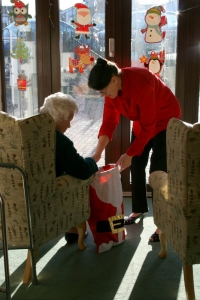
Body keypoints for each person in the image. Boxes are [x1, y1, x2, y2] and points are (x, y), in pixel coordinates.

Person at [88, 58, 181, 242]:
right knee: (137, 164)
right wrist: (97, 152)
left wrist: (129, 153)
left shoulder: (142, 84)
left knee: (158, 171)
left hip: (166, 119)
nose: (103, 95)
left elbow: (150, 127)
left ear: (114, 79)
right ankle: (138, 209)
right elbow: (108, 123)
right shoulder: (111, 94)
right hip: (143, 122)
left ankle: (162, 224)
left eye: (103, 91)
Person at [40, 92, 98, 242]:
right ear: (59, 118)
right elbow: (83, 170)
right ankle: (72, 229)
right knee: (79, 179)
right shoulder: (58, 140)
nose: (70, 125)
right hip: (48, 195)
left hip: (20, 194)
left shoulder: (31, 131)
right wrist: (92, 160)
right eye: (69, 120)